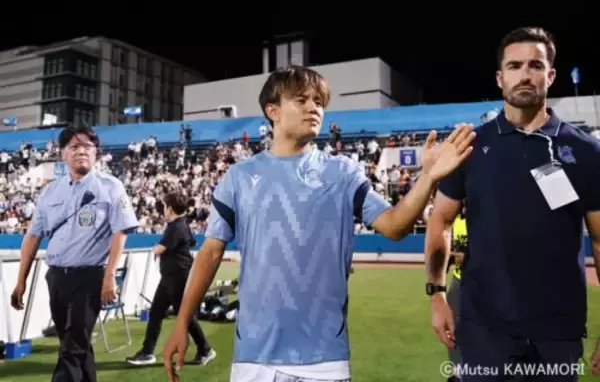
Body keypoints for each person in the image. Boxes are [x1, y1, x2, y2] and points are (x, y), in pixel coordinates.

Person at [162, 64, 476, 382]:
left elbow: (395, 226)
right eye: (301, 100)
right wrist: (182, 321)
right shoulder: (238, 178)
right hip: (254, 359)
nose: (314, 108)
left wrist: (427, 177)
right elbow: (211, 252)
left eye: (319, 102)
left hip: (324, 360)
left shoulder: (342, 172)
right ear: (273, 111)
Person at [424, 26, 600, 381]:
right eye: (515, 66)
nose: (525, 75)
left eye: (535, 65)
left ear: (550, 75)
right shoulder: (469, 147)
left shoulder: (585, 151)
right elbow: (440, 220)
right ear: (499, 77)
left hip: (558, 332)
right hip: (484, 330)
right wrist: (438, 293)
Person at [10, 124, 139, 382]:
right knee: (75, 344)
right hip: (57, 278)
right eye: (74, 146)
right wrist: (21, 280)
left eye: (87, 146)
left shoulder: (111, 187)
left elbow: (120, 232)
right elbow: (33, 236)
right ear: (63, 154)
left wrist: (109, 276)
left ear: (96, 152)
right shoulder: (50, 191)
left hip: (90, 277)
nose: (81, 151)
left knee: (72, 348)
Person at [125, 191, 216, 366]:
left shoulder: (176, 227)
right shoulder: (180, 225)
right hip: (170, 277)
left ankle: (205, 349)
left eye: (166, 206)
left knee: (183, 315)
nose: (164, 209)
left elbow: (160, 248)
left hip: (177, 277)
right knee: (156, 312)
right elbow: (188, 243)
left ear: (171, 208)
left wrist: (156, 248)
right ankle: (147, 352)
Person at [445, 203, 467, 382]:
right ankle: (457, 374)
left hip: (483, 283)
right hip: (459, 280)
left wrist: (457, 257)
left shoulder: (486, 215)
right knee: (451, 328)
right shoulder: (456, 220)